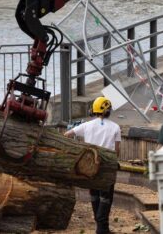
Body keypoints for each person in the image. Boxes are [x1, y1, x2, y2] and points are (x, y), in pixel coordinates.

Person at [65, 97, 121, 234]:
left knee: (94, 195)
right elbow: (117, 151)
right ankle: (102, 229)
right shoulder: (115, 127)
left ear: (93, 110)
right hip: (107, 167)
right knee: (106, 198)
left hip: (90, 168)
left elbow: (67, 134)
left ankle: (102, 227)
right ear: (108, 111)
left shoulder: (86, 125)